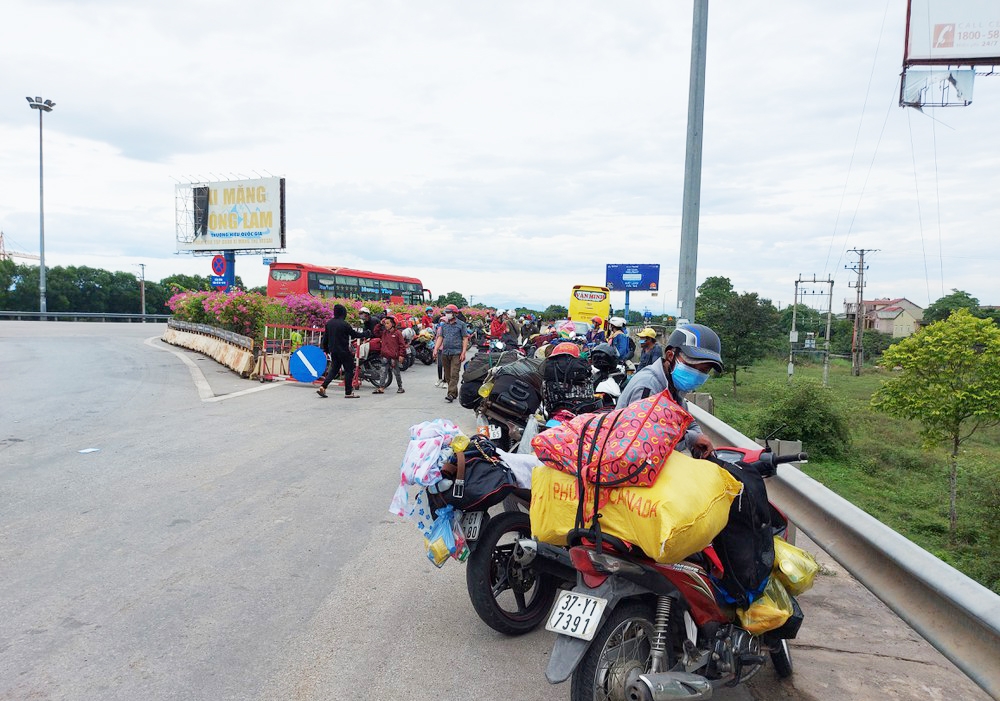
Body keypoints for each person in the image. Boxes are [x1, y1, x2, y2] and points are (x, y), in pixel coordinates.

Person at [616, 323, 724, 456]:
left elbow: (687, 421)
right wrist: (692, 438)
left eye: (704, 370)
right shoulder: (650, 387)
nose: (697, 374)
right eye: (692, 366)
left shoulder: (673, 385)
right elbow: (644, 441)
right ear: (670, 356)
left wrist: (698, 437)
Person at [317, 304, 367, 399]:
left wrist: (326, 349)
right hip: (343, 351)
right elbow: (354, 334)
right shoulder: (344, 324)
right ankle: (348, 392)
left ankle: (323, 386)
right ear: (343, 313)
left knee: (334, 369)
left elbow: (325, 338)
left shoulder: (329, 323)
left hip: (333, 351)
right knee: (349, 369)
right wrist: (366, 333)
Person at [433, 303, 471, 402]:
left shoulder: (461, 325)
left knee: (454, 373)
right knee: (447, 375)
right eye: (446, 312)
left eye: (449, 312)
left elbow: (465, 338)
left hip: (456, 352)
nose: (447, 314)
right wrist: (435, 349)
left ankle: (450, 394)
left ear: (454, 313)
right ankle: (454, 392)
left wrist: (463, 352)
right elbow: (440, 337)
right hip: (445, 352)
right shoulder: (444, 325)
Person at [376, 315, 407, 394]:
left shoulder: (398, 333)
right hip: (385, 356)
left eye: (387, 323)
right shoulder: (384, 333)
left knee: (396, 372)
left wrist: (401, 355)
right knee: (383, 372)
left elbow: (402, 345)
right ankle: (381, 387)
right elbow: (376, 332)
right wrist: (380, 324)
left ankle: (400, 387)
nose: (385, 325)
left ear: (392, 324)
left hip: (394, 357)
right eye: (385, 323)